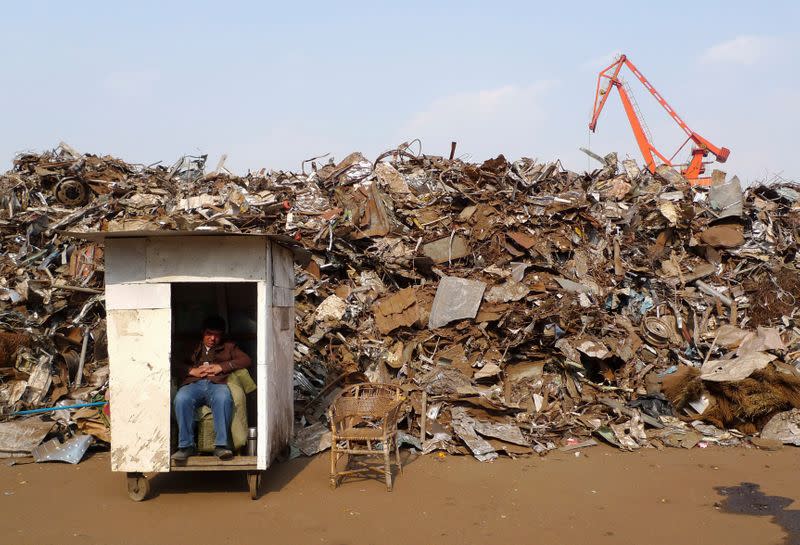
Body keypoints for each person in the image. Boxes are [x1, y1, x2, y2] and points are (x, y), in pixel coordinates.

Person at [171, 315, 252, 461]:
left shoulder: (229, 347)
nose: (212, 339)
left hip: (217, 384)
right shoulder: (192, 345)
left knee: (223, 398)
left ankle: (221, 446)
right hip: (194, 384)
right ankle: (186, 446)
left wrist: (221, 367)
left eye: (217, 335)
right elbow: (172, 361)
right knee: (181, 399)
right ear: (203, 332)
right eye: (209, 334)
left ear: (222, 335)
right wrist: (191, 370)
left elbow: (246, 360)